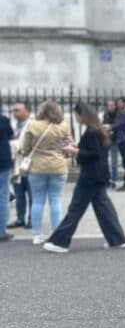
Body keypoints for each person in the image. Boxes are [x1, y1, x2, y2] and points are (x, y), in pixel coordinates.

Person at [42, 103, 125, 253]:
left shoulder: (91, 132)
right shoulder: (97, 129)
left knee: (76, 209)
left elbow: (94, 154)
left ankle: (60, 242)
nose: (75, 118)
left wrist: (75, 152)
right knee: (104, 208)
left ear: (82, 115)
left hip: (90, 176)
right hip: (99, 174)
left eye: (76, 115)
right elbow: (95, 151)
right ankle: (117, 239)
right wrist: (76, 147)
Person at [19, 99, 71, 245]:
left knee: (37, 201)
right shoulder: (63, 125)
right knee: (55, 200)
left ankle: (36, 235)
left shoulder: (33, 125)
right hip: (58, 166)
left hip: (37, 167)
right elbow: (68, 145)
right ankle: (55, 233)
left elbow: (25, 148)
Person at [9, 101, 32, 227]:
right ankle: (20, 218)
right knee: (19, 192)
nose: (15, 113)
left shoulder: (32, 125)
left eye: (18, 110)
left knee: (31, 192)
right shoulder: (12, 125)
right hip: (16, 163)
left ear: (27, 112)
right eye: (14, 110)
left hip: (28, 163)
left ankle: (32, 219)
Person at [0, 106, 14, 241]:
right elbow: (10, 135)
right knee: (3, 196)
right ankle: (1, 231)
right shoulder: (3, 120)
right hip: (2, 162)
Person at [102, 99, 120, 188]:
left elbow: (119, 126)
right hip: (106, 139)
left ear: (115, 106)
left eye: (111, 105)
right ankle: (107, 179)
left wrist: (111, 128)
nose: (110, 107)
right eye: (108, 105)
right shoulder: (105, 114)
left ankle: (114, 179)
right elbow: (103, 124)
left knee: (114, 161)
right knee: (104, 161)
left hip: (115, 140)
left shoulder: (118, 115)